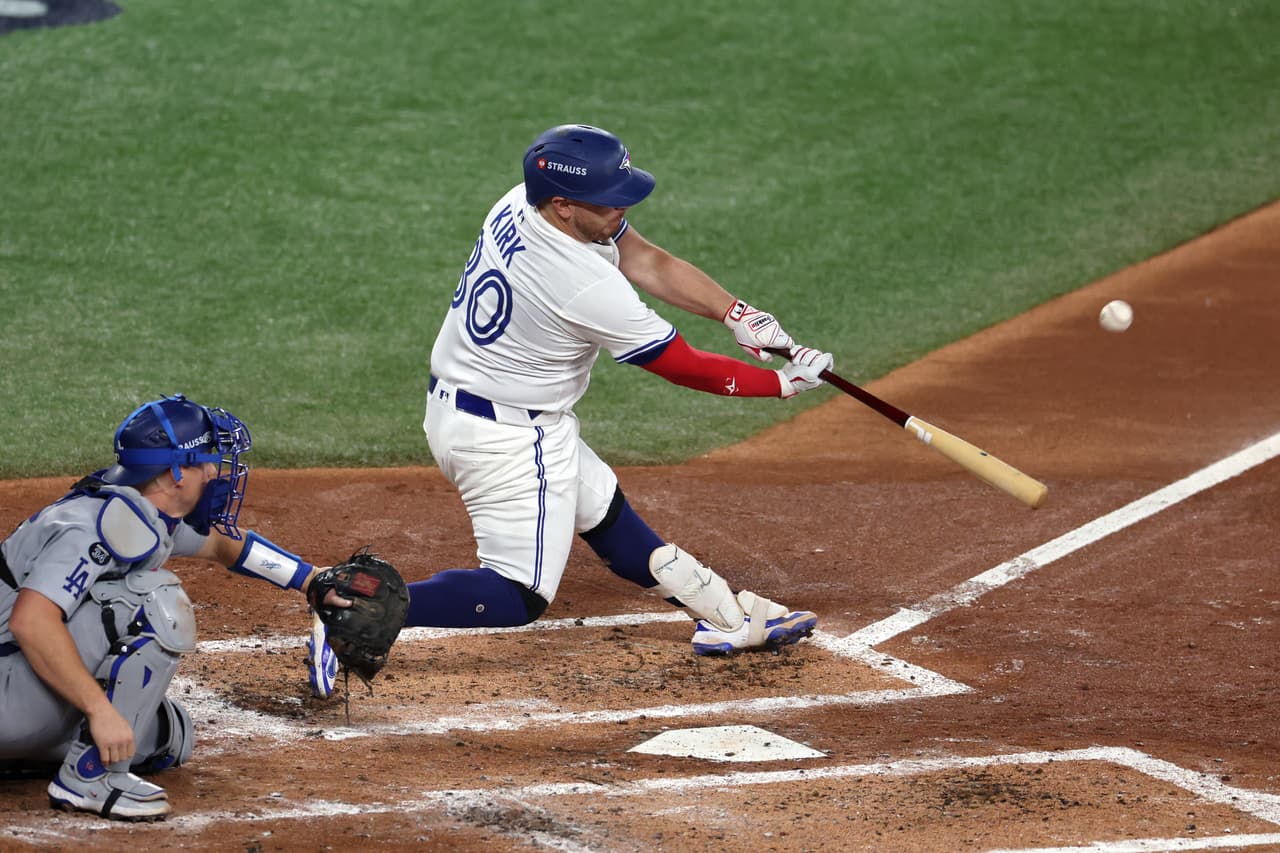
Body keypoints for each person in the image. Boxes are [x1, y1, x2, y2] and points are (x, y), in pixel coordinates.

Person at [308, 123, 833, 692]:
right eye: (609, 201)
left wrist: (735, 314)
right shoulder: (581, 284)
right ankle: (356, 609)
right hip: (506, 436)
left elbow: (644, 257)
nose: (621, 209)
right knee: (518, 593)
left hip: (472, 408)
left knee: (601, 506)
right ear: (564, 205)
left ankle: (726, 616)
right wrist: (780, 384)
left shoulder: (521, 202)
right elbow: (682, 364)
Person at [0, 394, 333, 822]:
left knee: (170, 735)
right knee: (156, 601)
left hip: (16, 690)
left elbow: (220, 544)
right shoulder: (96, 526)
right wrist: (100, 711)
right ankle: (88, 778)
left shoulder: (139, 511)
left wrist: (311, 579)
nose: (215, 470)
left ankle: (20, 755)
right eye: (205, 460)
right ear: (175, 471)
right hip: (9, 688)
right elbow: (31, 621)